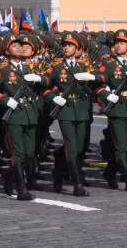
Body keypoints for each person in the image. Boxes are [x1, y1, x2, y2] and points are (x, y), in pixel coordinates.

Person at [0, 34, 44, 201]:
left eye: (21, 45)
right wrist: (5, 100)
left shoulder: (29, 67)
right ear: (7, 50)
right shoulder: (3, 68)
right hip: (15, 115)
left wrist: (39, 78)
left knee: (30, 153)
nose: (19, 48)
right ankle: (21, 188)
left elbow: (44, 82)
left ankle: (9, 174)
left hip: (30, 114)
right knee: (18, 153)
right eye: (15, 45)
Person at [41, 31, 94, 196]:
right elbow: (45, 84)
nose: (66, 48)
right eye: (64, 45)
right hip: (66, 110)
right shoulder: (57, 66)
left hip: (82, 109)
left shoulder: (85, 65)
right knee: (72, 148)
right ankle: (77, 184)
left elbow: (100, 79)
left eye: (70, 45)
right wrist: (53, 97)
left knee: (79, 148)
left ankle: (59, 167)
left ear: (77, 48)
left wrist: (92, 77)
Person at [94, 29, 127, 192]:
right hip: (117, 107)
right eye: (117, 43)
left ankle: (110, 171)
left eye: (122, 43)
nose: (119, 46)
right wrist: (107, 95)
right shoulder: (107, 64)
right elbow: (98, 84)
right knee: (120, 146)